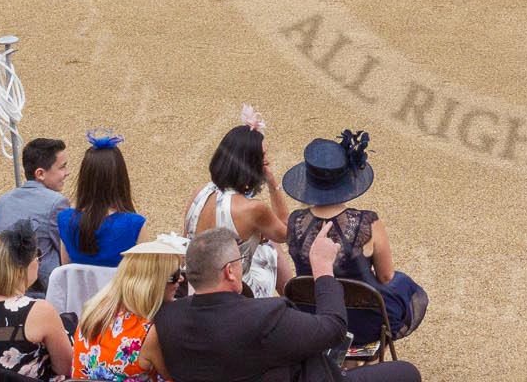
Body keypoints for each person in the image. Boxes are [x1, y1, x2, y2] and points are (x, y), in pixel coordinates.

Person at [150, 227, 420, 382]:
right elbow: (334, 328)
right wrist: (323, 267)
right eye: (239, 260)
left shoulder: (166, 319)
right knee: (406, 373)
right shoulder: (264, 316)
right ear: (230, 272)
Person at [281, 131, 427, 348]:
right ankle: (371, 360)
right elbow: (386, 276)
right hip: (364, 323)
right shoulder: (368, 223)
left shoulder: (293, 223)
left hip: (314, 319)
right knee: (403, 284)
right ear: (347, 179)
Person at [182, 113, 290, 298]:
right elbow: (286, 232)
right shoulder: (254, 209)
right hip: (239, 292)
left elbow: (184, 240)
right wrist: (273, 184)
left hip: (196, 288)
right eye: (263, 157)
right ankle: (293, 302)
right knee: (272, 247)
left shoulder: (199, 193)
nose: (267, 161)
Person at [0, 227, 73, 379]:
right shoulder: (39, 311)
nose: (38, 262)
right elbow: (65, 368)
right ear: (21, 268)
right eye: (37, 255)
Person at [69, 233, 183, 382]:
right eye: (174, 275)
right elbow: (177, 377)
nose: (181, 279)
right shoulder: (148, 333)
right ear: (154, 283)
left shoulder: (93, 312)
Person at [0, 138, 71, 290]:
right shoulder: (57, 203)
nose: (67, 172)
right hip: (41, 288)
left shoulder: (3, 200)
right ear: (40, 173)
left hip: (3, 285)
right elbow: (66, 252)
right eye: (62, 167)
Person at [56, 134, 142, 268]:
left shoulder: (66, 220)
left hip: (79, 289)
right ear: (121, 178)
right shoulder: (135, 224)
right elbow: (143, 276)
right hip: (120, 289)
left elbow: (67, 271)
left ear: (84, 178)